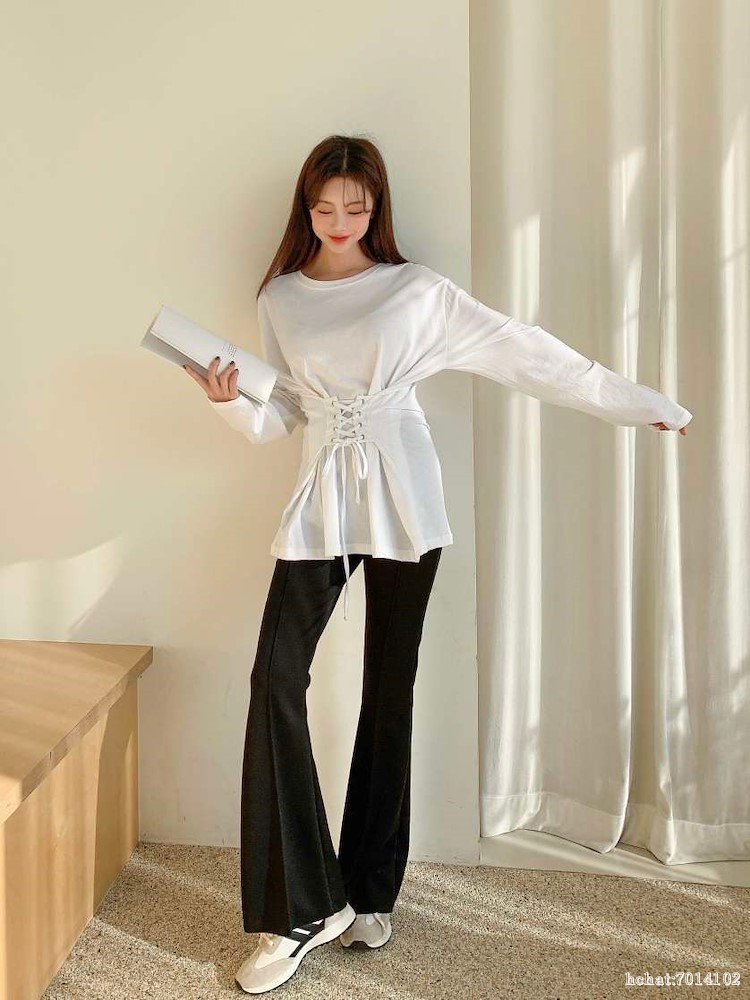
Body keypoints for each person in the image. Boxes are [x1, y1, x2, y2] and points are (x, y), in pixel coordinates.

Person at [183, 134, 692, 994]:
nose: (339, 222)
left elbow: (527, 351)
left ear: (376, 208)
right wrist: (230, 406)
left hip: (405, 497)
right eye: (324, 208)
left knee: (389, 692)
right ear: (305, 208)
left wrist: (637, 403)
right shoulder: (281, 296)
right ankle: (303, 907)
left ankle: (369, 891)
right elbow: (286, 414)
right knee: (274, 678)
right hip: (321, 500)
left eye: (355, 208)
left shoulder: (416, 290)